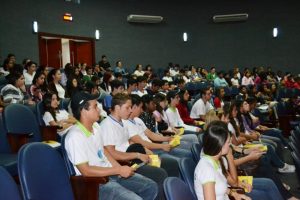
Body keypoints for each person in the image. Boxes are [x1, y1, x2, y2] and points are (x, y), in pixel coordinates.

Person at [65, 91, 158, 200]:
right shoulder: (74, 136)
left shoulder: (96, 127)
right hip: (96, 183)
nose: (99, 110)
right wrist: (117, 170)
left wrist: (119, 168)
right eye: (95, 107)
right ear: (83, 111)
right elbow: (86, 170)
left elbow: (104, 151)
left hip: (110, 173)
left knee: (151, 187)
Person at [100, 93, 168, 200]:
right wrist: (138, 155)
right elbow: (112, 154)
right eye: (127, 108)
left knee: (161, 168)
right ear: (117, 108)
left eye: (131, 107)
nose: (130, 111)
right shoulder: (107, 125)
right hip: (124, 164)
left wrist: (144, 152)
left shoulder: (122, 122)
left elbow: (129, 143)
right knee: (159, 175)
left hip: (132, 160)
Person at [194, 121, 250, 200]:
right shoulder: (207, 169)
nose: (230, 144)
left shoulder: (216, 160)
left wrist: (233, 193)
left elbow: (218, 186)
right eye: (228, 142)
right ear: (219, 145)